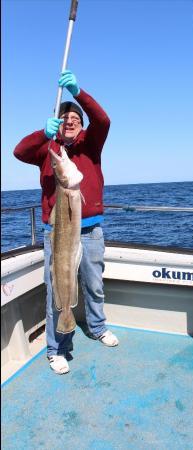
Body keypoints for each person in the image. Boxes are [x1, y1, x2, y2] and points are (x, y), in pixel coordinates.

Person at [14, 70, 119, 375]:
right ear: (58, 125)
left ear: (81, 124)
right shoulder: (48, 151)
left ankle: (98, 327)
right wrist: (44, 135)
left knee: (94, 285)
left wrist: (78, 92)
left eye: (75, 117)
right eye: (64, 118)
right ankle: (56, 348)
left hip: (91, 230)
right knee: (56, 291)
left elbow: (104, 120)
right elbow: (19, 151)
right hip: (57, 234)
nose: (70, 120)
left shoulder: (91, 144)